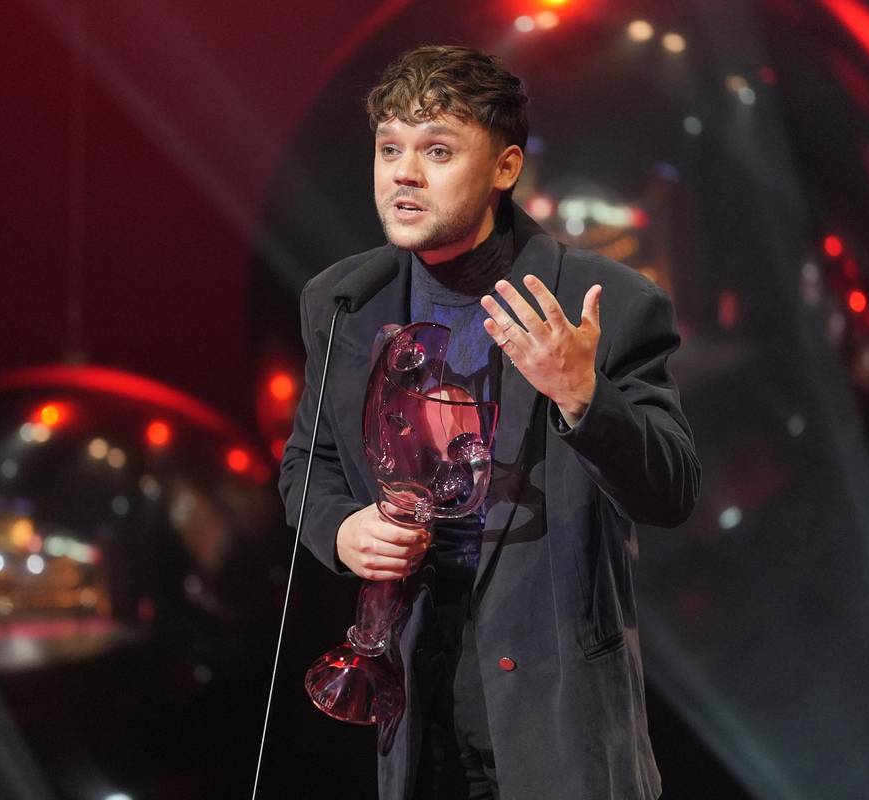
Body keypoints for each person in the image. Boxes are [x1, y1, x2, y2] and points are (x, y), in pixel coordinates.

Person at [279, 44, 700, 800]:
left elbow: (670, 491)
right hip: (415, 700)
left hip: (557, 716)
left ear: (505, 167)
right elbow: (308, 467)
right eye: (389, 149)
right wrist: (342, 531)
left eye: (437, 151)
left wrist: (582, 395)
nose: (404, 174)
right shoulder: (344, 301)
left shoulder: (604, 302)